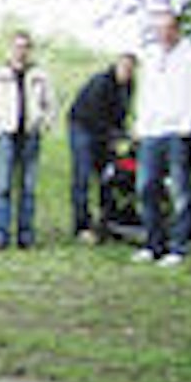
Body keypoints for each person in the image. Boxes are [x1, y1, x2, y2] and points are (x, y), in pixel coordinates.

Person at [131, 12, 191, 267]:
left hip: (178, 130)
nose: (163, 34)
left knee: (180, 189)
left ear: (177, 30)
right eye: (159, 29)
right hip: (152, 131)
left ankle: (179, 245)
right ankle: (153, 243)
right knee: (146, 187)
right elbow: (145, 92)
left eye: (168, 29)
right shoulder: (151, 56)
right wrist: (141, 124)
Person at [0, 31, 58, 251]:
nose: (21, 51)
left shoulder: (40, 76)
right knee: (3, 186)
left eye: (25, 47)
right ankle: (0, 235)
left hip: (30, 135)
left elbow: (51, 104)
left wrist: (43, 124)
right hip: (6, 134)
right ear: (10, 49)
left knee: (28, 188)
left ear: (30, 50)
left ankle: (26, 236)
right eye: (17, 46)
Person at [67, 54, 136, 243]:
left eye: (130, 69)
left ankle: (108, 221)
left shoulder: (129, 86)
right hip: (83, 126)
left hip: (104, 131)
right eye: (124, 68)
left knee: (108, 174)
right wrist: (115, 135)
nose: (127, 73)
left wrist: (123, 133)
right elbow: (94, 116)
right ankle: (81, 225)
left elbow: (121, 113)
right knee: (82, 175)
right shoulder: (101, 83)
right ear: (116, 66)